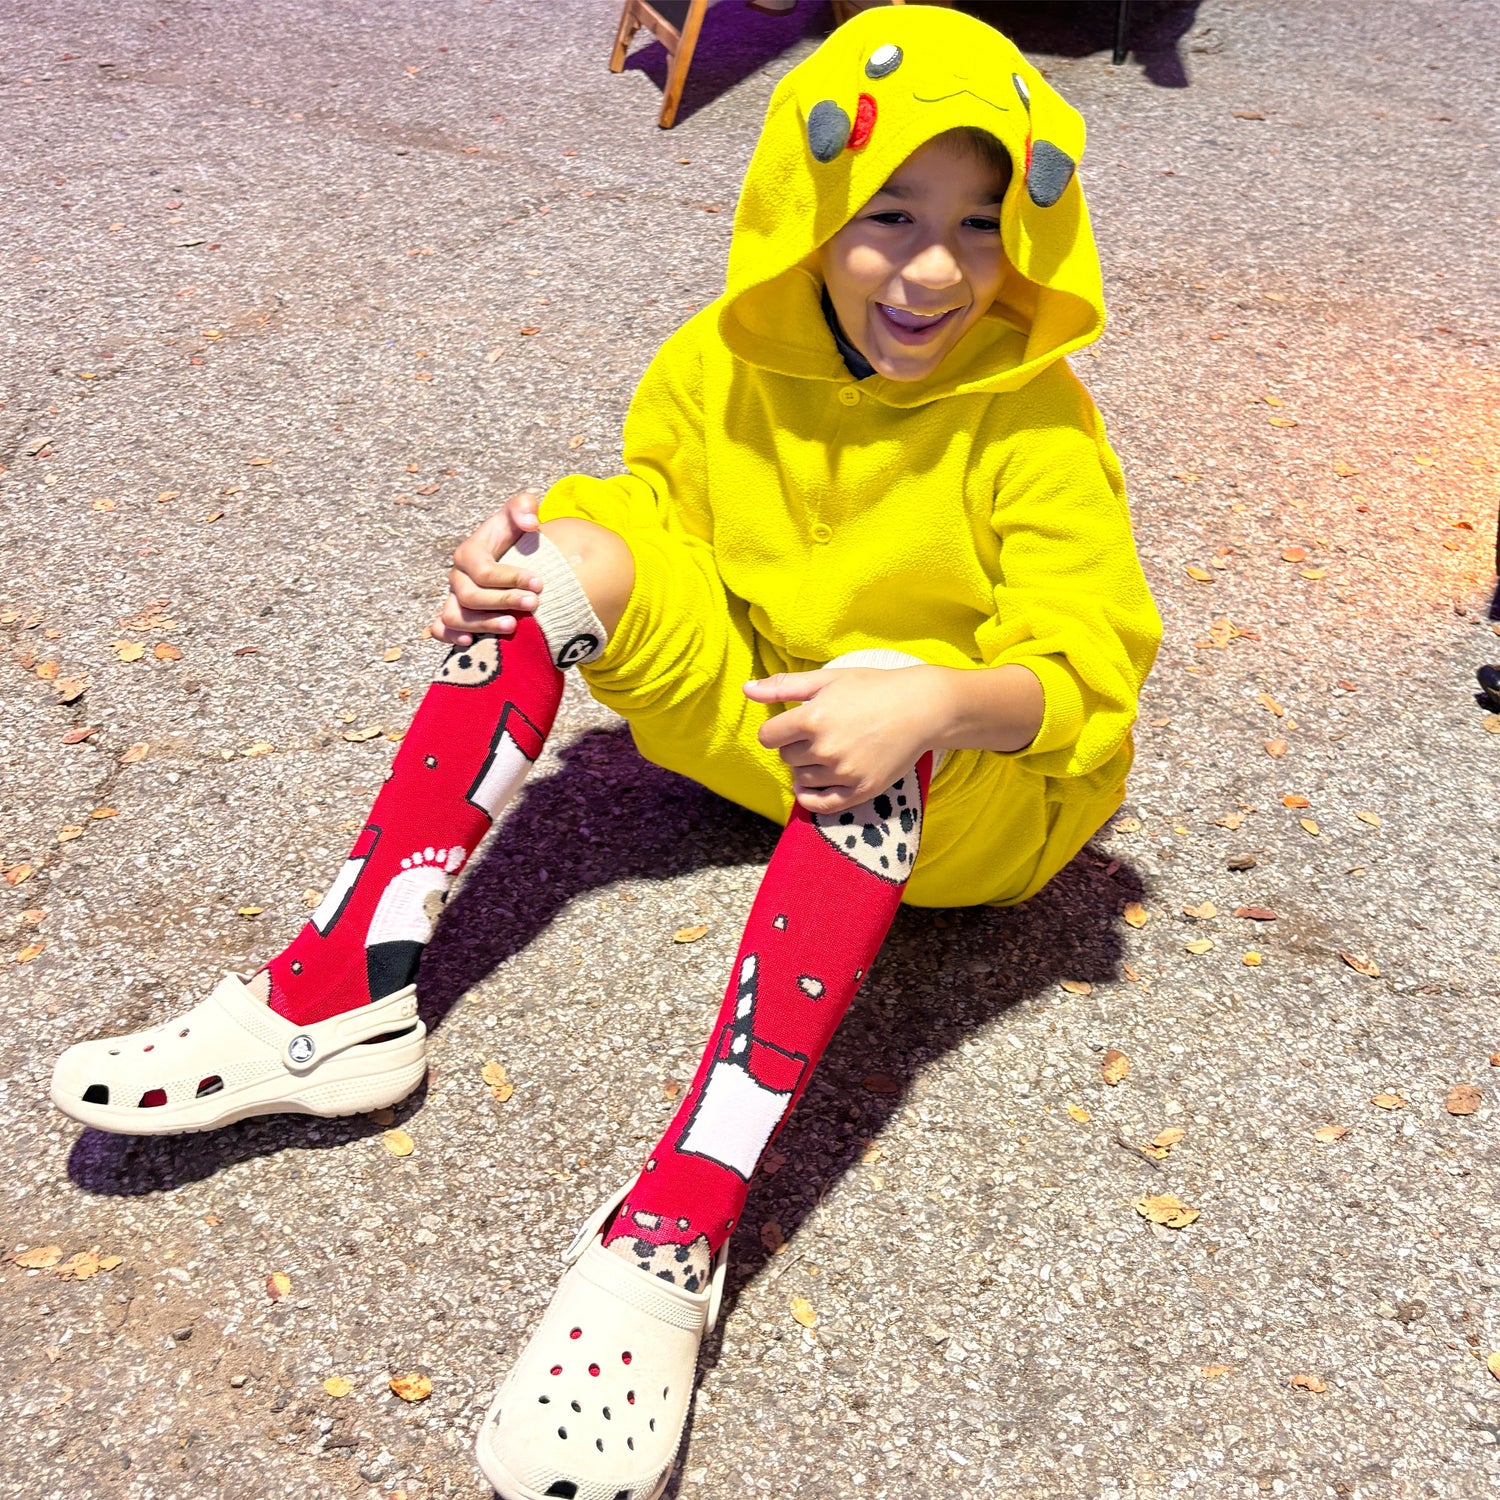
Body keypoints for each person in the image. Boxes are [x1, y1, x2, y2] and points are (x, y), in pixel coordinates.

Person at [50, 8, 1161, 1497]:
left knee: (894, 690)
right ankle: (339, 999)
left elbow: (1090, 675)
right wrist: (532, 547)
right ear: (812, 210)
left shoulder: (1036, 429)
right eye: (889, 215)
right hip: (771, 725)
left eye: (979, 225)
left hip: (972, 798)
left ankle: (677, 1223)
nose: (937, 269)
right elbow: (655, 499)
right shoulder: (724, 356)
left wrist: (936, 704)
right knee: (560, 561)